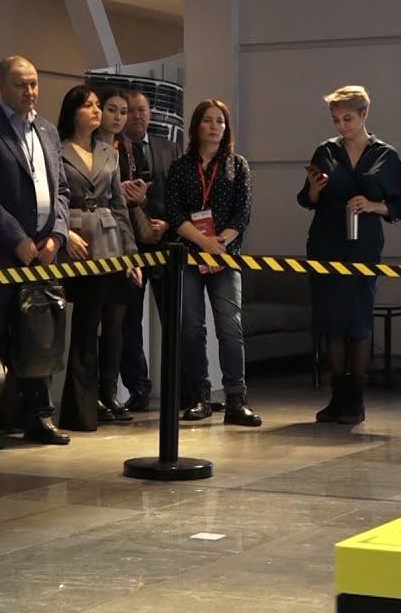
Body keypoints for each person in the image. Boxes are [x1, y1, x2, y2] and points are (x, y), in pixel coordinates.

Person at [0, 55, 71, 450]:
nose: (30, 91)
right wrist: (17, 239)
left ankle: (38, 417)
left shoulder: (48, 131)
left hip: (42, 254)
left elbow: (62, 191)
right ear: (1, 87)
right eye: (21, 84)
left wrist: (57, 236)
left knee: (38, 339)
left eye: (34, 83)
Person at [297, 86, 401, 425]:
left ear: (365, 114)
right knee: (331, 321)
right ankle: (337, 396)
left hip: (363, 243)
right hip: (326, 240)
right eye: (336, 120)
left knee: (358, 320)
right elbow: (307, 201)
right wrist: (314, 190)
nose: (342, 126)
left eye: (347, 119)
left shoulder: (384, 155)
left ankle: (356, 399)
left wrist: (374, 205)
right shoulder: (325, 151)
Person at [164, 100, 262, 426]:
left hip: (225, 255)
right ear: (196, 126)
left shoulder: (237, 165)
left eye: (220, 121)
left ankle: (236, 398)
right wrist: (203, 242)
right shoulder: (181, 166)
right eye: (208, 120)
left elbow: (242, 214)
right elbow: (174, 213)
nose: (214, 126)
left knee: (230, 327)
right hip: (190, 254)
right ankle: (200, 396)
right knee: (192, 328)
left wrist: (220, 244)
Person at [55, 87, 140, 432]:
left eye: (96, 105)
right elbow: (54, 198)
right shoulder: (57, 149)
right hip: (72, 240)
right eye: (88, 105)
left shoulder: (109, 153)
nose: (96, 111)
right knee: (74, 325)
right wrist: (64, 232)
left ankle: (94, 403)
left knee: (98, 323)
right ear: (73, 111)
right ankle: (69, 407)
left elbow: (119, 207)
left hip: (107, 242)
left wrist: (130, 254)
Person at [115, 90, 177, 412]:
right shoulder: (113, 150)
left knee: (174, 317)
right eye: (130, 111)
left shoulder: (170, 148)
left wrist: (167, 223)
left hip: (166, 243)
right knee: (129, 321)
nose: (137, 116)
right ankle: (137, 387)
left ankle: (183, 387)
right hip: (129, 245)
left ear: (150, 113)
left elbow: (180, 196)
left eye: (142, 110)